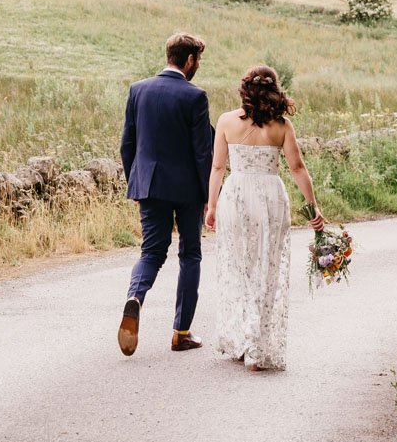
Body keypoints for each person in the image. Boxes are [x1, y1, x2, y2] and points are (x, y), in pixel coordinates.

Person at [204, 66, 325, 372]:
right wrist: (313, 207)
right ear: (274, 90)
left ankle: (243, 339)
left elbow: (218, 168)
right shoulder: (282, 126)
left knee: (238, 266)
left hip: (236, 196)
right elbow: (297, 168)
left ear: (244, 90)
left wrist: (212, 205)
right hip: (270, 197)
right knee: (265, 269)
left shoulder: (226, 121)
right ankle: (257, 344)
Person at [117, 32, 214, 356]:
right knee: (190, 255)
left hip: (150, 185)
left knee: (151, 253)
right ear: (189, 60)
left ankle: (135, 297)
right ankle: (181, 333)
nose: (197, 65)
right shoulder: (195, 97)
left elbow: (127, 144)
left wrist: (137, 183)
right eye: (197, 60)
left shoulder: (138, 90)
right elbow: (203, 153)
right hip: (187, 189)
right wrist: (208, 197)